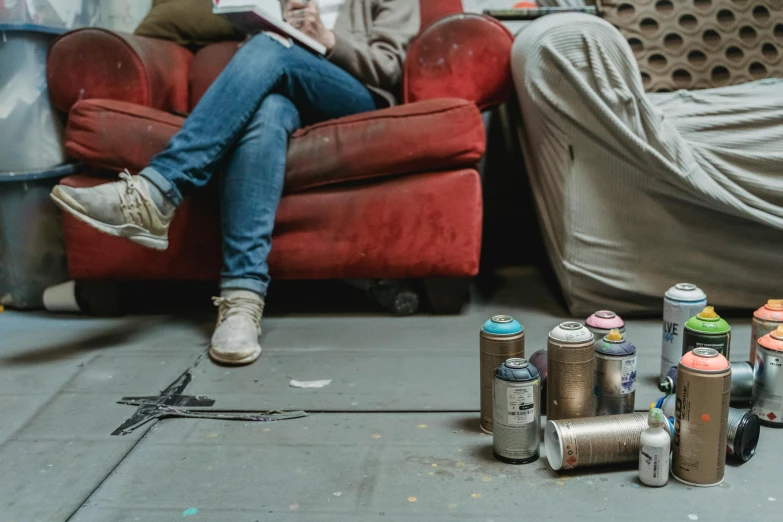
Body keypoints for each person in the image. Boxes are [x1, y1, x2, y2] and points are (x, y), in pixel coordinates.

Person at [50, 0, 420, 365]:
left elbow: (388, 65)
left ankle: (160, 189)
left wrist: (327, 38)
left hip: (351, 92)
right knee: (267, 109)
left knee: (272, 48)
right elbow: (182, 21)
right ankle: (241, 301)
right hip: (280, 85)